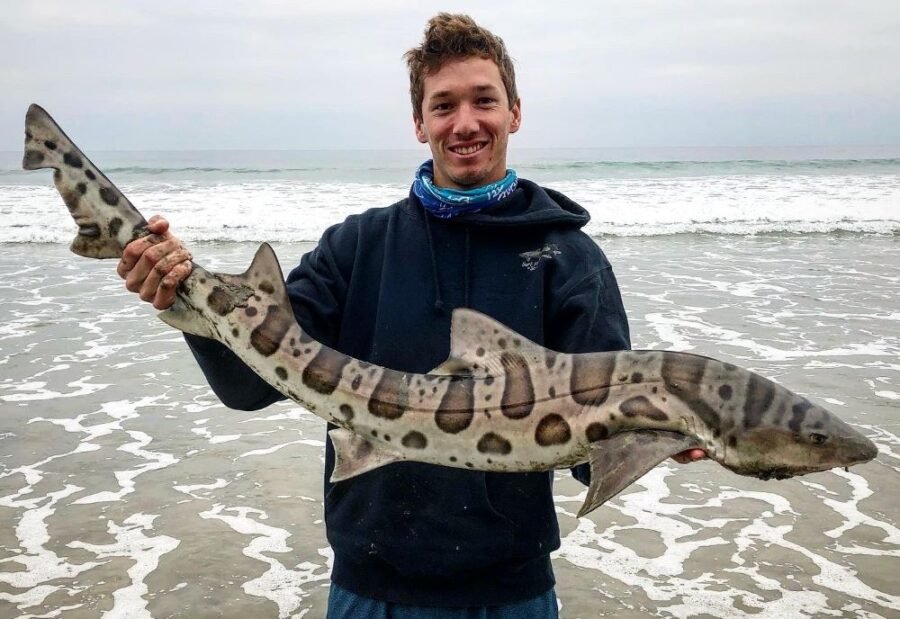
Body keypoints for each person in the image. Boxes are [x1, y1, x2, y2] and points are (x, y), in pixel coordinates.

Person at [118, 13, 704, 618]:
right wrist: (182, 303)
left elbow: (586, 462)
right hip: (371, 590)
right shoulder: (356, 249)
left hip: (509, 595)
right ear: (420, 123)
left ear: (515, 112)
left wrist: (659, 435)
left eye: (485, 101)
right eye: (444, 106)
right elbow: (246, 387)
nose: (466, 123)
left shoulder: (568, 260)